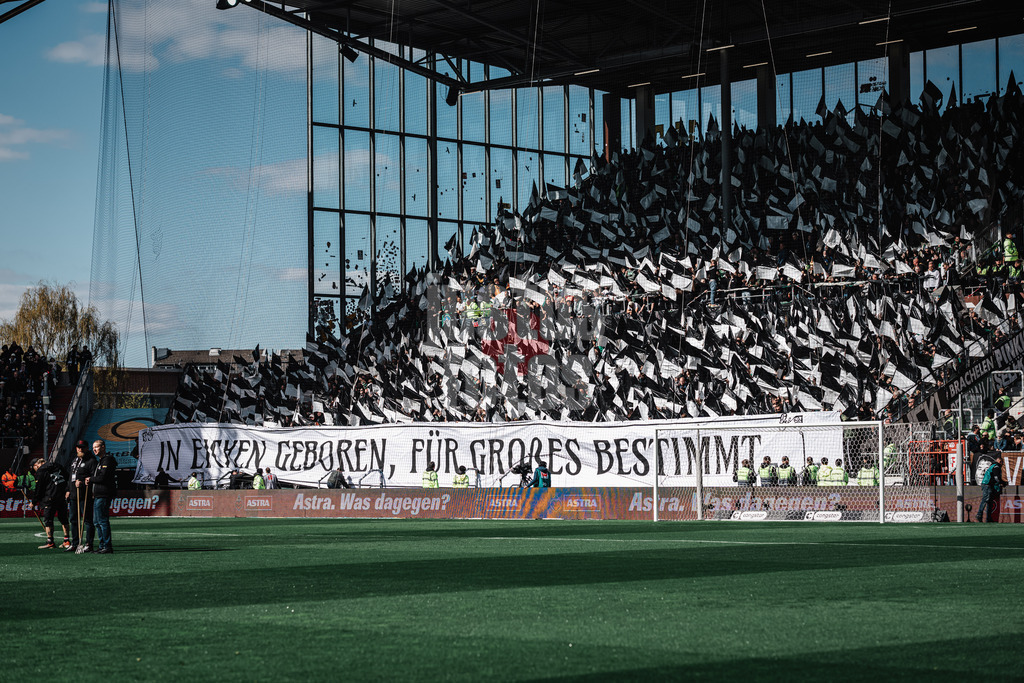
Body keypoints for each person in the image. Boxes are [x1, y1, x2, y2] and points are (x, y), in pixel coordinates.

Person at [30, 457, 70, 549]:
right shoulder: (58, 466)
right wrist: (67, 490)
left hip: (49, 498)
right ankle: (66, 541)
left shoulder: (41, 471)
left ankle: (50, 541)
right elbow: (68, 477)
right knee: (63, 518)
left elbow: (39, 488)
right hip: (61, 496)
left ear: (37, 465)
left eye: (35, 468)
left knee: (48, 520)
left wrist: (34, 502)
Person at [67, 440, 97, 553]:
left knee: (87, 520)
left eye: (82, 447)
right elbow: (71, 477)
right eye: (78, 447)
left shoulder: (91, 461)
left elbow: (93, 478)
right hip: (74, 495)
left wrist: (84, 483)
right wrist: (68, 490)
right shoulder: (74, 460)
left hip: (85, 495)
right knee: (73, 520)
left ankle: (89, 543)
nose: (80, 449)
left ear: (87, 448)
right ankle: (75, 543)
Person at [87, 440, 116, 554]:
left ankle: (107, 546)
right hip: (98, 495)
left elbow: (103, 477)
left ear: (103, 447)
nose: (94, 449)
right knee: (96, 521)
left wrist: (90, 479)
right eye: (93, 447)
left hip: (104, 494)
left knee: (102, 520)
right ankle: (102, 545)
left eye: (96, 447)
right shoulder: (100, 461)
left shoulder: (107, 460)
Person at [976, 453, 1008, 523]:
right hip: (987, 484)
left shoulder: (992, 466)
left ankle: (988, 518)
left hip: (987, 484)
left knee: (989, 501)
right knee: (986, 499)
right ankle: (979, 514)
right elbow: (997, 478)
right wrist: (1002, 482)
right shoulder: (996, 467)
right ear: (1000, 462)